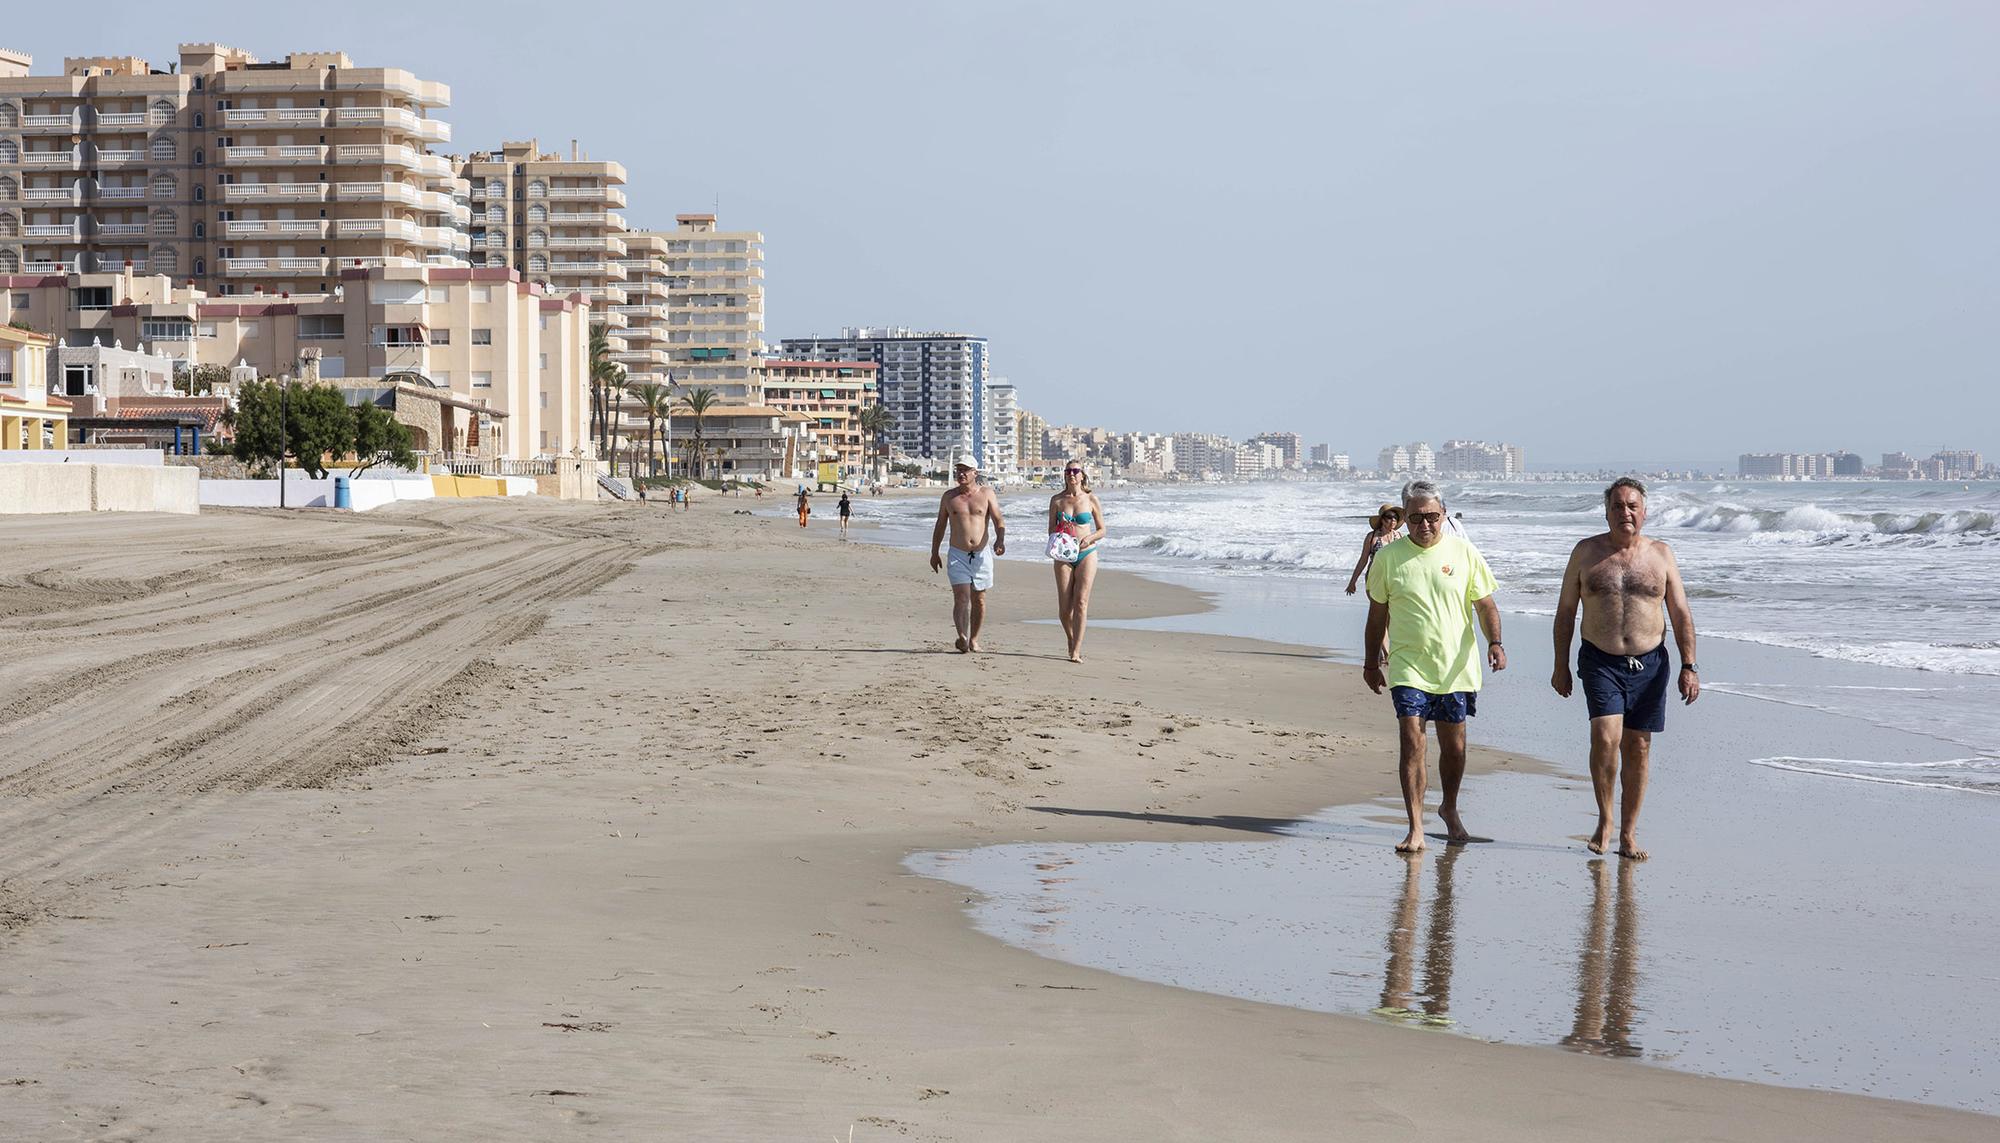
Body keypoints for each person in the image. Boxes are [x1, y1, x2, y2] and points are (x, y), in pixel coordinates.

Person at [1551, 477, 1699, 861]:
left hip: (1651, 664)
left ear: (1645, 512)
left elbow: (1680, 612)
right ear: (1607, 512)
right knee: (1605, 736)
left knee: (1639, 746)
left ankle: (1629, 833)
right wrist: (1560, 665)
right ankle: (1605, 820)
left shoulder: (1661, 555)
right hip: (1601, 660)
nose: (1625, 513)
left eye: (1632, 506)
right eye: (1617, 506)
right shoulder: (1586, 553)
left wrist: (1689, 665)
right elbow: (1566, 611)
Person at [1363, 480, 1505, 853]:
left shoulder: (1465, 553)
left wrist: (1495, 643)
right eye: (1415, 518)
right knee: (1412, 741)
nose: (1424, 525)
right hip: (1409, 665)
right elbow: (1377, 616)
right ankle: (1415, 826)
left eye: (1431, 517)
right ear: (1404, 519)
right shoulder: (1388, 559)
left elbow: (1486, 604)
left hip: (1456, 668)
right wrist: (1370, 663)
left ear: (1443, 515)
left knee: (1454, 748)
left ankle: (1449, 807)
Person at [928, 460, 1007, 653]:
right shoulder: (949, 497)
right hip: (957, 554)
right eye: (958, 470)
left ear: (975, 472)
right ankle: (962, 636)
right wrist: (934, 552)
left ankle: (974, 639)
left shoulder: (987, 493)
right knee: (961, 597)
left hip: (982, 554)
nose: (961, 473)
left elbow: (998, 519)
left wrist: (1000, 540)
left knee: (979, 599)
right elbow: (940, 525)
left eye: (965, 470)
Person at [1047, 461, 1106, 663]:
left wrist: (1090, 538)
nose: (1071, 474)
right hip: (1063, 554)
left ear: (1082, 475)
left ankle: (1076, 651)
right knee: (1065, 609)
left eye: (1075, 471)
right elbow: (1050, 530)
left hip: (1086, 553)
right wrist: (1061, 530)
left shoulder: (1091, 499)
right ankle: (1071, 639)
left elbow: (1102, 529)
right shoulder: (1056, 501)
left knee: (1081, 602)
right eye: (1068, 471)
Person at [1345, 503, 1404, 595]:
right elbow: (1363, 560)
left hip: (1394, 578)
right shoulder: (1372, 537)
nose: (1393, 520)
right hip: (1375, 577)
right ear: (1382, 520)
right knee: (1378, 608)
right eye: (1389, 517)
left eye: (1395, 517)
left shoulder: (1400, 536)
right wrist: (1352, 582)